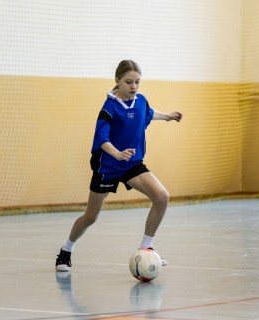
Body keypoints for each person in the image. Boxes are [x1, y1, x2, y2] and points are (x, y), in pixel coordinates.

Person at [55, 60, 183, 272]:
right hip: (108, 168)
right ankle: (66, 250)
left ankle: (146, 249)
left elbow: (149, 113)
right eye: (129, 82)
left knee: (162, 197)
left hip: (132, 164)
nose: (133, 86)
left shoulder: (141, 101)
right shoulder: (109, 107)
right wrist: (117, 154)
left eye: (137, 82)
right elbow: (101, 137)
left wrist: (168, 116)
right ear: (117, 81)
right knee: (90, 217)